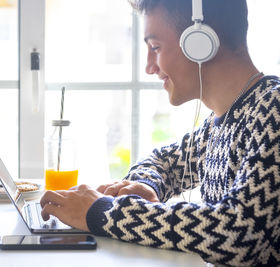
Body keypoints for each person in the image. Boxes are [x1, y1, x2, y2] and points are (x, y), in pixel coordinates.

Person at [40, 0, 280, 266]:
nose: (149, 67)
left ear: (200, 43)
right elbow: (164, 162)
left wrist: (103, 212)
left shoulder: (273, 112)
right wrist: (145, 185)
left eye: (155, 48)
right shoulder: (223, 120)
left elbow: (239, 234)